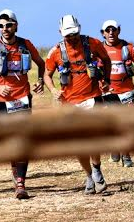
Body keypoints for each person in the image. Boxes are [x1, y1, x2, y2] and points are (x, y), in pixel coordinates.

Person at [0, 9, 45, 199]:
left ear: (16, 25)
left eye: (8, 25)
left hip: (22, 98)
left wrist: (40, 81)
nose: (5, 29)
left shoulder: (25, 44)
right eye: (1, 26)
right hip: (1, 101)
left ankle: (21, 183)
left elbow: (41, 63)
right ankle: (15, 173)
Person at [43, 15, 113, 195]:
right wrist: (53, 90)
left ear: (79, 29)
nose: (72, 38)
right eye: (68, 35)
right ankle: (89, 175)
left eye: (74, 34)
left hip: (92, 97)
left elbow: (106, 60)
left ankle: (97, 169)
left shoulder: (93, 43)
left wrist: (106, 79)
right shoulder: (55, 52)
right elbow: (47, 75)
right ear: (60, 33)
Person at [99, 19, 134, 167]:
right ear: (103, 33)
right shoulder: (98, 49)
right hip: (107, 93)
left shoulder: (128, 48)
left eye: (113, 30)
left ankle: (126, 157)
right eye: (107, 30)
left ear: (118, 31)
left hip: (126, 91)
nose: (111, 33)